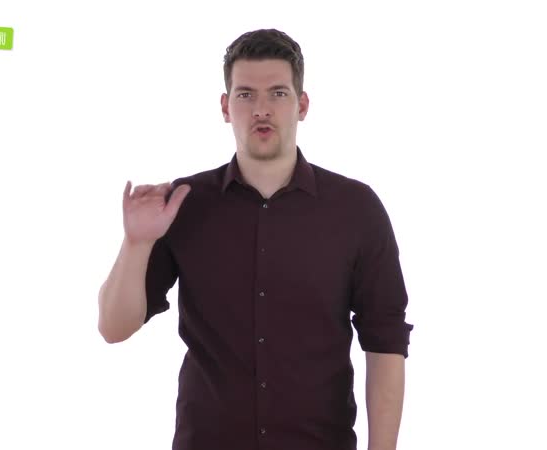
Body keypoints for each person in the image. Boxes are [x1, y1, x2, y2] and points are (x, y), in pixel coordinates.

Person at [98, 28, 413, 450]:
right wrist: (136, 244)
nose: (261, 109)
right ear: (225, 107)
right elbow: (114, 328)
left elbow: (385, 341)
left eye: (278, 94)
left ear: (302, 105)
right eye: (245, 95)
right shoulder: (183, 204)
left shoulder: (356, 208)